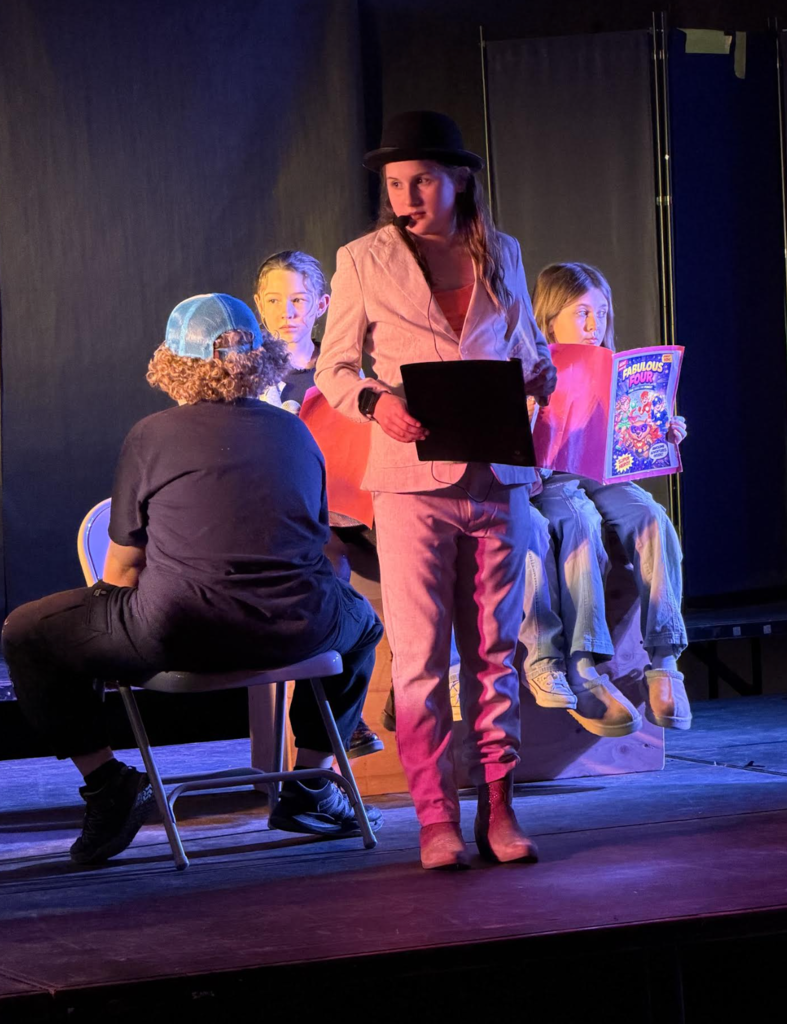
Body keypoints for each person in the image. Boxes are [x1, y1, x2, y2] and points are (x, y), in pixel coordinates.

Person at [2, 293, 383, 865]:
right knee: (364, 627)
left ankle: (109, 787)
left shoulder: (152, 434)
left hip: (185, 634)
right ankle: (310, 782)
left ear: (175, 364)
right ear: (261, 359)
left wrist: (104, 651)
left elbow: (124, 569)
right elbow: (317, 540)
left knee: (26, 630)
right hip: (299, 629)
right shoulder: (295, 432)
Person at [314, 111, 556, 870]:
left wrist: (541, 376)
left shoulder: (503, 252)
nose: (406, 195)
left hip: (497, 474)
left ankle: (500, 807)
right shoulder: (362, 259)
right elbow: (334, 367)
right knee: (420, 658)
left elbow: (531, 351)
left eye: (420, 180)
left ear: (458, 181)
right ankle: (433, 816)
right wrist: (375, 401)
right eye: (394, 184)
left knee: (496, 651)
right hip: (412, 481)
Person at [523, 262, 692, 735]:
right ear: (550, 318)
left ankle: (664, 658)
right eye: (582, 314)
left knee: (652, 517)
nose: (595, 326)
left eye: (602, 312)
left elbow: (630, 444)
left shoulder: (612, 369)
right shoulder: (532, 369)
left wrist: (664, 432)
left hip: (605, 476)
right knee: (579, 520)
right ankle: (584, 666)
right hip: (556, 481)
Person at [254, 249, 384, 759]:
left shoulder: (340, 376)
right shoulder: (247, 378)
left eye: (299, 301)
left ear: (323, 305)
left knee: (417, 552)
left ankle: (413, 695)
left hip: (349, 507)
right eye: (275, 301)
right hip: (286, 517)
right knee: (324, 565)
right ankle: (335, 721)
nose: (287, 312)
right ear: (258, 306)